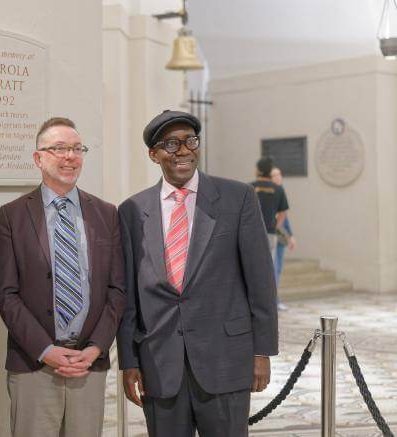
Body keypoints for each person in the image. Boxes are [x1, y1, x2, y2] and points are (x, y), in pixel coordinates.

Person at [117, 110, 278, 437]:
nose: (184, 151)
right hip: (159, 365)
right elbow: (129, 294)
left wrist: (262, 352)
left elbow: (261, 281)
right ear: (154, 154)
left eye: (190, 141)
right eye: (171, 144)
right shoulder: (132, 210)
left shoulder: (237, 198)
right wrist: (129, 361)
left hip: (225, 360)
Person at [0, 117, 126, 437]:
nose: (70, 156)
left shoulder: (106, 213)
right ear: (38, 158)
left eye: (77, 149)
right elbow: (6, 294)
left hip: (87, 365)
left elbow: (117, 290)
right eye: (59, 148)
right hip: (34, 364)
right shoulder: (13, 214)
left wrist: (95, 349)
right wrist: (46, 350)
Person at [252, 157, 289, 311]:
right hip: (270, 234)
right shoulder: (278, 189)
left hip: (252, 233)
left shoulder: (249, 187)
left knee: (252, 266)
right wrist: (275, 225)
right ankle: (269, 302)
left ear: (258, 170)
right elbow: (283, 214)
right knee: (269, 268)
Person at [270, 166, 296, 310]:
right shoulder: (271, 192)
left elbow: (285, 217)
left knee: (278, 268)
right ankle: (274, 301)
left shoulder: (281, 190)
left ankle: (276, 299)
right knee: (273, 269)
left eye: (279, 174)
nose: (278, 177)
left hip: (280, 236)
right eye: (274, 175)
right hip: (271, 235)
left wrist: (290, 236)